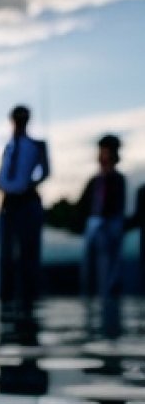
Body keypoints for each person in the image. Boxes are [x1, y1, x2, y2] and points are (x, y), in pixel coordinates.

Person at [0, 105, 50, 317]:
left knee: (29, 254)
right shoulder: (9, 147)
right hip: (8, 203)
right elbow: (2, 173)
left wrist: (28, 186)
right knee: (6, 254)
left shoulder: (36, 145)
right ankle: (7, 300)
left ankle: (30, 301)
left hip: (26, 201)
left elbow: (45, 171)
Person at [78, 134, 126, 335]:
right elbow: (83, 205)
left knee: (108, 270)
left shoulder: (117, 179)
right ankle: (90, 307)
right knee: (89, 269)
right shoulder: (94, 181)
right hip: (93, 226)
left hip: (110, 226)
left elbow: (118, 206)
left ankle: (108, 310)